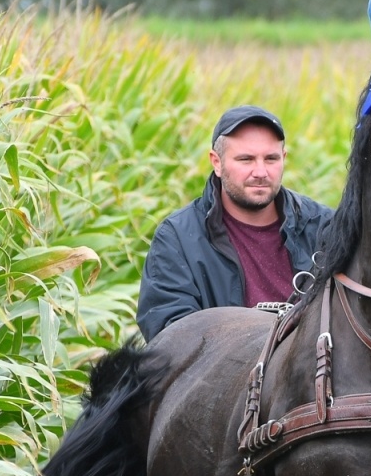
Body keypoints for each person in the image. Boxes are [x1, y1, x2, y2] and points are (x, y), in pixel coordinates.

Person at [136, 106, 334, 341]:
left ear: (284, 158)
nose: (260, 172)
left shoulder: (324, 227)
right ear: (216, 162)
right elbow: (170, 337)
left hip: (314, 372)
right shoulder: (178, 239)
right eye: (246, 159)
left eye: (271, 159)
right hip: (223, 375)